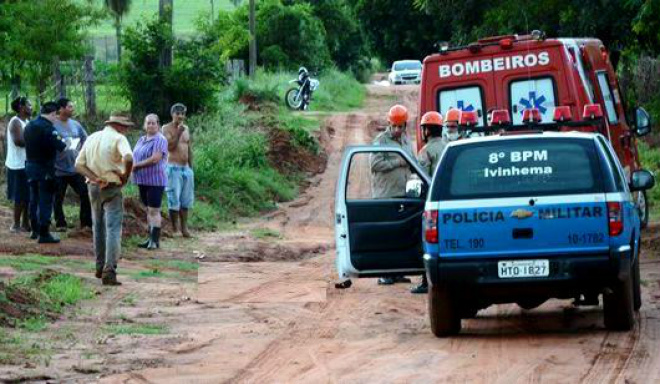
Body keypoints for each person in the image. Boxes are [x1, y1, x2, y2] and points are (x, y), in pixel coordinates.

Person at [75, 112, 133, 286]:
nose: (127, 130)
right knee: (113, 228)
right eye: (126, 127)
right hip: (112, 187)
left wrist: (94, 178)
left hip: (93, 187)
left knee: (98, 226)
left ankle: (100, 267)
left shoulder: (92, 137)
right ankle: (110, 270)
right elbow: (129, 157)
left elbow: (78, 164)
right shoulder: (119, 138)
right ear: (120, 126)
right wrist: (125, 176)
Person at [370, 104, 414, 286]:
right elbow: (375, 164)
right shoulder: (381, 141)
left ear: (405, 126)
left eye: (400, 126)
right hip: (386, 195)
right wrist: (398, 161)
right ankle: (384, 273)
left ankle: (397, 272)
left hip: (403, 194)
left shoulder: (406, 140)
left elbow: (411, 160)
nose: (397, 130)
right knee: (385, 236)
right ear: (389, 124)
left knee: (399, 235)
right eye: (394, 126)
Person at [411, 111, 447, 294]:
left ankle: (426, 281)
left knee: (426, 240)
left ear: (427, 131)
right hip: (448, 199)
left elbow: (420, 178)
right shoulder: (449, 146)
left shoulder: (425, 152)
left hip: (430, 202)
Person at [24, 101, 67, 243]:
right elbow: (61, 145)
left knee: (33, 198)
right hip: (45, 169)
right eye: (56, 116)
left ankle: (34, 230)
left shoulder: (29, 125)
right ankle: (44, 232)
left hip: (30, 166)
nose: (56, 119)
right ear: (53, 114)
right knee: (45, 200)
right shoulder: (48, 128)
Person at [53, 98, 92, 231]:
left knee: (85, 193)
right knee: (58, 197)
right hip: (58, 169)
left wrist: (82, 153)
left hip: (75, 168)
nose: (72, 109)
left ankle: (86, 223)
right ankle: (60, 224)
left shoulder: (76, 125)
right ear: (61, 109)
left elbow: (86, 139)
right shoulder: (53, 125)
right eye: (70, 107)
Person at [132, 114, 168, 250]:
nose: (151, 125)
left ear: (158, 125)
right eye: (148, 123)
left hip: (155, 180)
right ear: (144, 125)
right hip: (142, 180)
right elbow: (134, 155)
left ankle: (155, 240)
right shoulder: (141, 140)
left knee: (154, 210)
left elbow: (155, 159)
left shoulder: (160, 139)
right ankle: (150, 238)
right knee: (148, 210)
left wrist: (137, 166)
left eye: (153, 123)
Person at [163, 103, 194, 238]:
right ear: (172, 114)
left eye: (182, 114)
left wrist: (191, 167)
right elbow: (170, 147)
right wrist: (178, 132)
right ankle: (174, 229)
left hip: (185, 168)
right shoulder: (166, 128)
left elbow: (189, 148)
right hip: (173, 168)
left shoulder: (186, 128)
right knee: (173, 199)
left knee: (186, 200)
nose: (180, 116)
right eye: (177, 114)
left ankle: (184, 228)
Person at [5, 97, 32, 233]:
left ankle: (25, 223)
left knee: (27, 195)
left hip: (26, 162)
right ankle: (15, 224)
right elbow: (19, 141)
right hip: (17, 164)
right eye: (28, 105)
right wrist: (35, 140)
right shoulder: (15, 122)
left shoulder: (26, 121)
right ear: (21, 107)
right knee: (19, 196)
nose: (31, 107)